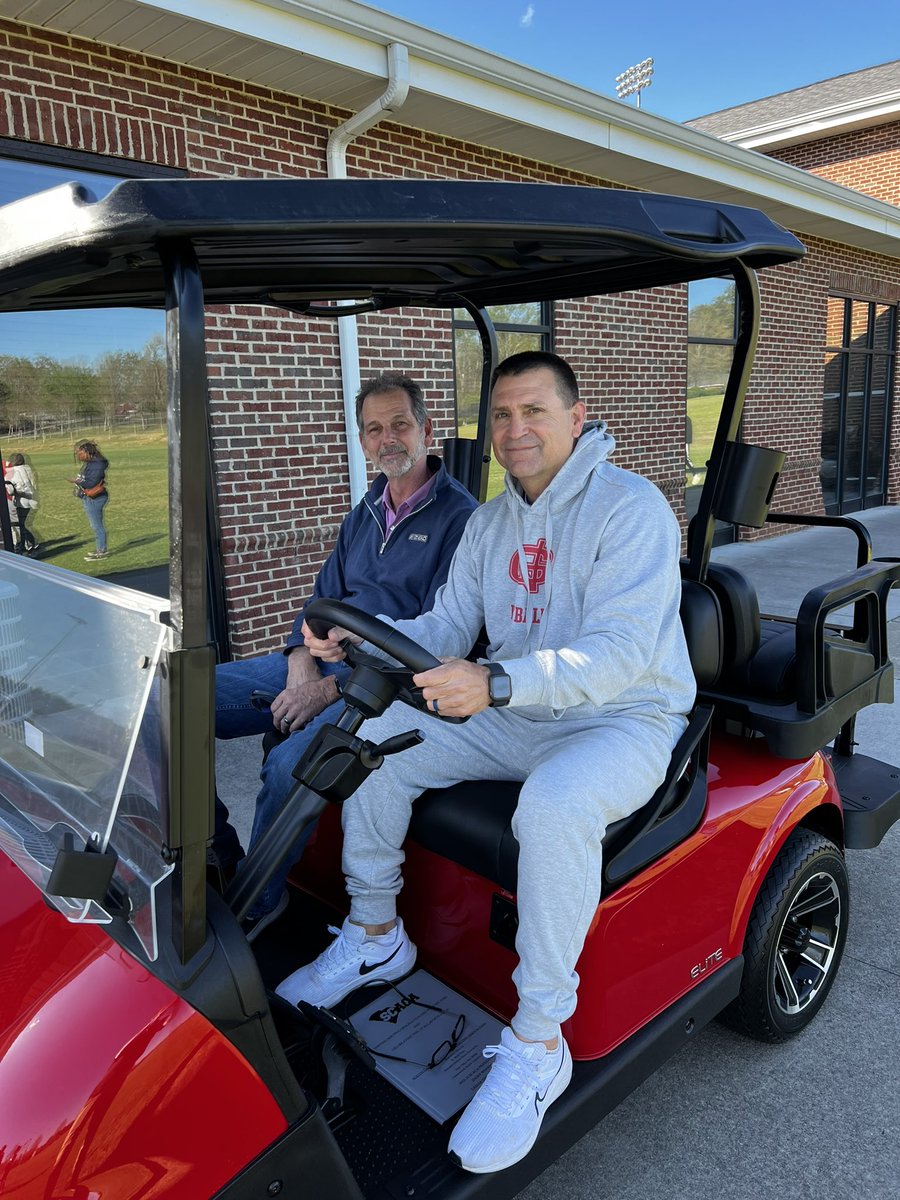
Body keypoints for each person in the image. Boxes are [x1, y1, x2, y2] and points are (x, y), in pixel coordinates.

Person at [283, 351, 697, 1174]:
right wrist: (356, 638)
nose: (516, 431)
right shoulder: (492, 523)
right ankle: (374, 933)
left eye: (534, 412)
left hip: (623, 717)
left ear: (576, 420)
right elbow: (445, 623)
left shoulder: (631, 510)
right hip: (519, 710)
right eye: (503, 416)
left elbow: (617, 656)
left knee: (551, 806)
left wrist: (498, 679)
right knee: (373, 744)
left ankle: (539, 1040)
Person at [213, 372, 477, 937]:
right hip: (325, 666)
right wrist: (299, 662)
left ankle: (255, 905)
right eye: (374, 429)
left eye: (400, 424)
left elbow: (438, 640)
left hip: (385, 687)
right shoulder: (364, 513)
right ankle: (217, 856)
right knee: (177, 699)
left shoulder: (462, 521)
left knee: (292, 765)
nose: (388, 439)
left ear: (427, 429)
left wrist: (326, 688)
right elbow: (319, 601)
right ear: (361, 441)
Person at [69, 440, 109, 561]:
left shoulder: (97, 464)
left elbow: (92, 482)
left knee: (97, 526)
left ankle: (101, 551)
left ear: (87, 452)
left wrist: (77, 481)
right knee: (95, 525)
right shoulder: (91, 463)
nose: (79, 456)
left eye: (80, 453)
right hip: (89, 497)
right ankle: (100, 549)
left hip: (95, 498)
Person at [7, 453, 39, 554]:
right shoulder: (29, 469)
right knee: (23, 524)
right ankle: (27, 545)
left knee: (21, 525)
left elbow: (11, 491)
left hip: (22, 501)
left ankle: (30, 543)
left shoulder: (12, 473)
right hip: (33, 500)